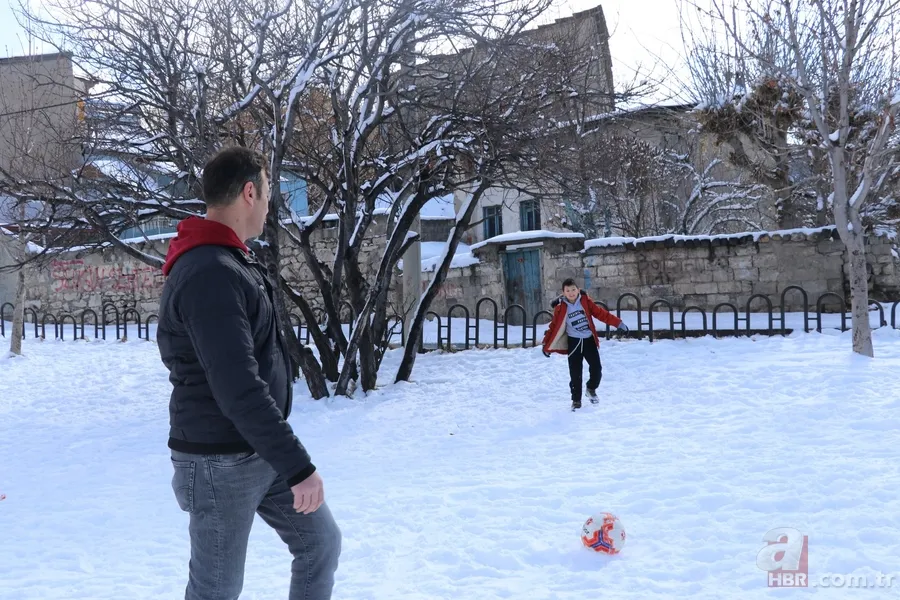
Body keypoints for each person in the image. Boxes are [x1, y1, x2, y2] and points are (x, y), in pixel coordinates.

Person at [156, 146, 341, 600]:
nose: (270, 203)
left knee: (320, 544)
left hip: (255, 450)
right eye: (269, 192)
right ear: (249, 191)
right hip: (218, 463)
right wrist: (299, 468)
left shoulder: (229, 260)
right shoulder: (209, 272)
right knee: (215, 591)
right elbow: (237, 387)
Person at [541, 278, 628, 411]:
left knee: (596, 369)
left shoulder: (585, 301)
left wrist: (618, 323)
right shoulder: (560, 308)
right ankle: (576, 400)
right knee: (575, 373)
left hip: (589, 341)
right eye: (568, 291)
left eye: (573, 290)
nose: (571, 293)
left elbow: (600, 313)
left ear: (578, 289)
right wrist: (546, 344)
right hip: (574, 342)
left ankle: (591, 388)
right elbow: (554, 326)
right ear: (563, 293)